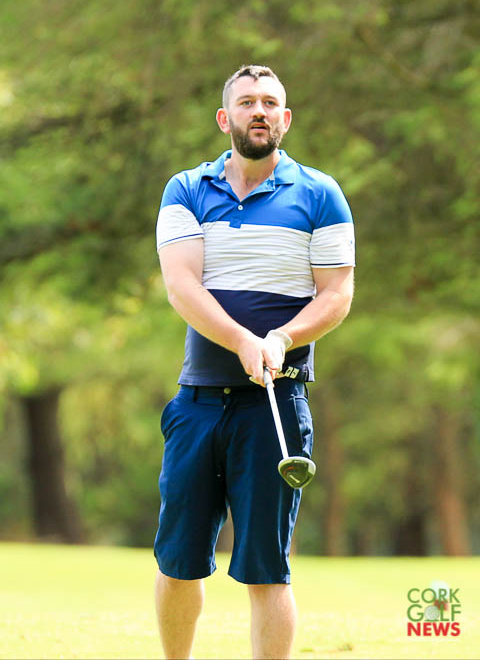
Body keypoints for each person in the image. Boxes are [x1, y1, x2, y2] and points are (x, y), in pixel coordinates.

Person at [154, 65, 355, 659]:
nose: (259, 111)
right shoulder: (186, 189)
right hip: (197, 403)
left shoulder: (320, 193)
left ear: (285, 119)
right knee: (178, 562)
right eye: (247, 103)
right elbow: (182, 286)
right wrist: (244, 340)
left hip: (276, 405)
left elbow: (337, 294)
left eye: (270, 103)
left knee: (268, 568)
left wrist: (283, 338)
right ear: (226, 118)